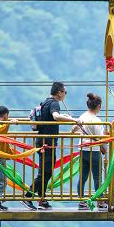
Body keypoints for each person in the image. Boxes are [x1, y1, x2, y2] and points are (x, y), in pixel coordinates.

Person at [23, 82, 81, 210]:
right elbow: (56, 116)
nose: (65, 95)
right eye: (65, 92)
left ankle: (42, 199)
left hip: (44, 141)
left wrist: (66, 116)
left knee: (45, 171)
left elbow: (52, 116)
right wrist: (74, 120)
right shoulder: (55, 103)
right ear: (59, 92)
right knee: (45, 172)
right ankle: (27, 196)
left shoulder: (46, 102)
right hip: (47, 143)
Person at [76, 93, 107, 210]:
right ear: (98, 106)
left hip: (82, 150)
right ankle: (100, 202)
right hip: (94, 151)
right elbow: (100, 139)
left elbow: (75, 130)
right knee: (97, 178)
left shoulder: (82, 117)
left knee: (82, 177)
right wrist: (105, 145)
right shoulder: (96, 120)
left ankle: (81, 201)